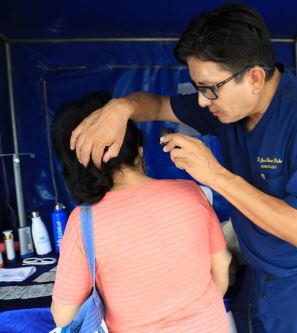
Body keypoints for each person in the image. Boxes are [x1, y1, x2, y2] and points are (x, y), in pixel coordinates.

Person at [69, 4, 297, 333]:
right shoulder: (228, 105)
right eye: (198, 89)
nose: (203, 102)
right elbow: (158, 105)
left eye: (209, 89)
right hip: (258, 268)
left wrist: (215, 175)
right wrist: (121, 108)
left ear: (254, 77)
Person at [50, 91, 231, 332]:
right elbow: (222, 269)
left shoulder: (83, 221)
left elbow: (63, 316)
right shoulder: (191, 192)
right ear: (140, 149)